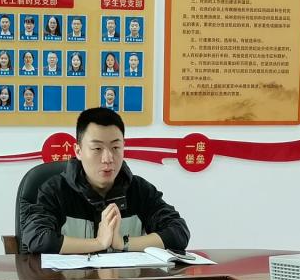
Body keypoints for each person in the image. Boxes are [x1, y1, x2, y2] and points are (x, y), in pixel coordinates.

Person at [21, 108, 189, 255]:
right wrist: (99, 243)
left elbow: (178, 233)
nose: (108, 158)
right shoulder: (55, 190)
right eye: (97, 148)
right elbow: (37, 237)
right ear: (78, 151)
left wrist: (122, 243)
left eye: (115, 148)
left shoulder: (139, 190)